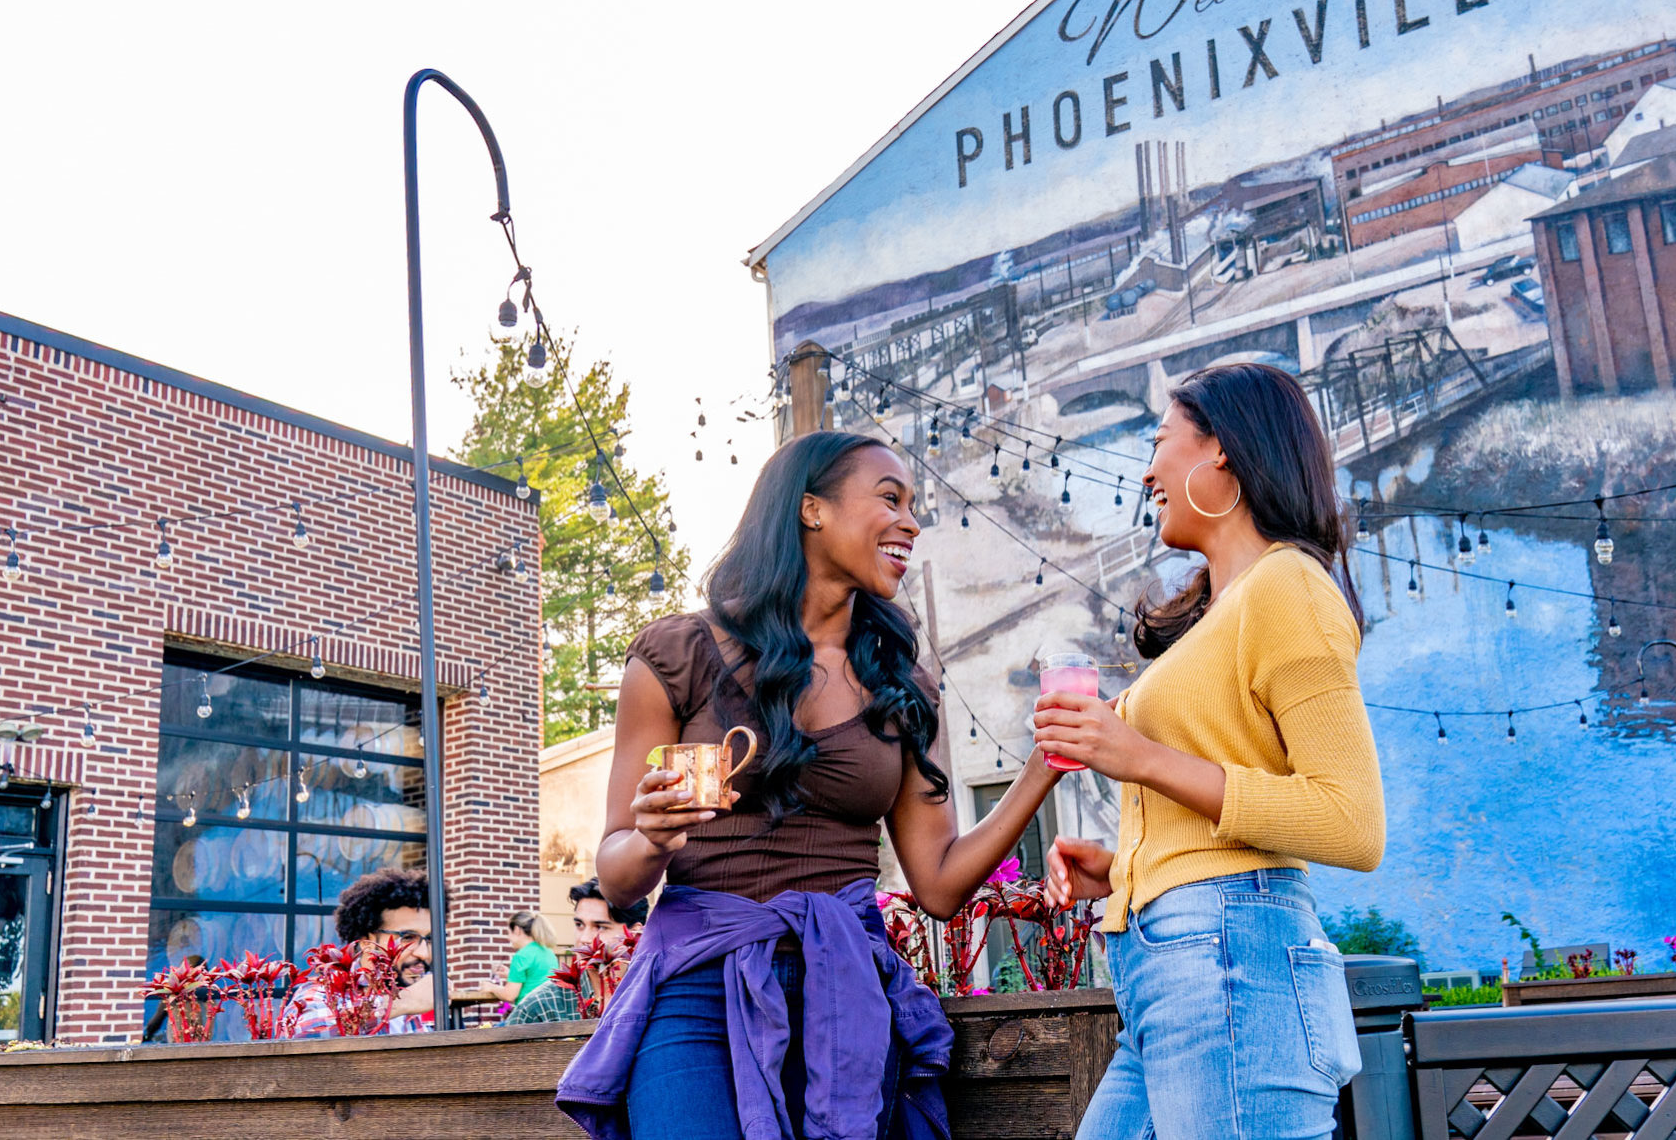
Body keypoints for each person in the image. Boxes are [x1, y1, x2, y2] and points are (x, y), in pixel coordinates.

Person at [557, 430, 1063, 1139]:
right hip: (700, 986)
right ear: (811, 508)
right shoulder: (677, 655)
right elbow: (616, 879)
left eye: (912, 504)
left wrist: (1046, 763)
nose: (911, 521)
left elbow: (940, 885)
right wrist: (651, 835)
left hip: (844, 992)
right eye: (890, 498)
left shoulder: (903, 682)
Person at [1036, 363, 1387, 1140]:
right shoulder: (1223, 612)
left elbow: (1352, 821)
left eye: (1159, 440)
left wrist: (1141, 757)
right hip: (1178, 972)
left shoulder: (1288, 585)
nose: (1146, 468)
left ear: (1221, 451)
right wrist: (1128, 863)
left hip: (1231, 963)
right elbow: (1229, 787)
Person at [289, 867, 441, 1037]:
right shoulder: (327, 992)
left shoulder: (429, 997)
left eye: (429, 939)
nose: (424, 953)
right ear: (366, 942)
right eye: (407, 937)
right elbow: (309, 1034)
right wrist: (404, 1002)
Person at [506, 879, 650, 1026]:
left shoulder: (657, 994)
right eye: (579, 925)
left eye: (600, 927)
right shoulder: (541, 1006)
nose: (584, 939)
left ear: (634, 933)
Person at [484, 910, 558, 1006]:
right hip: (547, 1012)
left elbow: (509, 995)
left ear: (517, 930)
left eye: (509, 933)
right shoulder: (549, 953)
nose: (508, 937)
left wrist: (491, 987)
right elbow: (535, 979)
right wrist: (510, 975)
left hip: (528, 1014)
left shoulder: (521, 956)